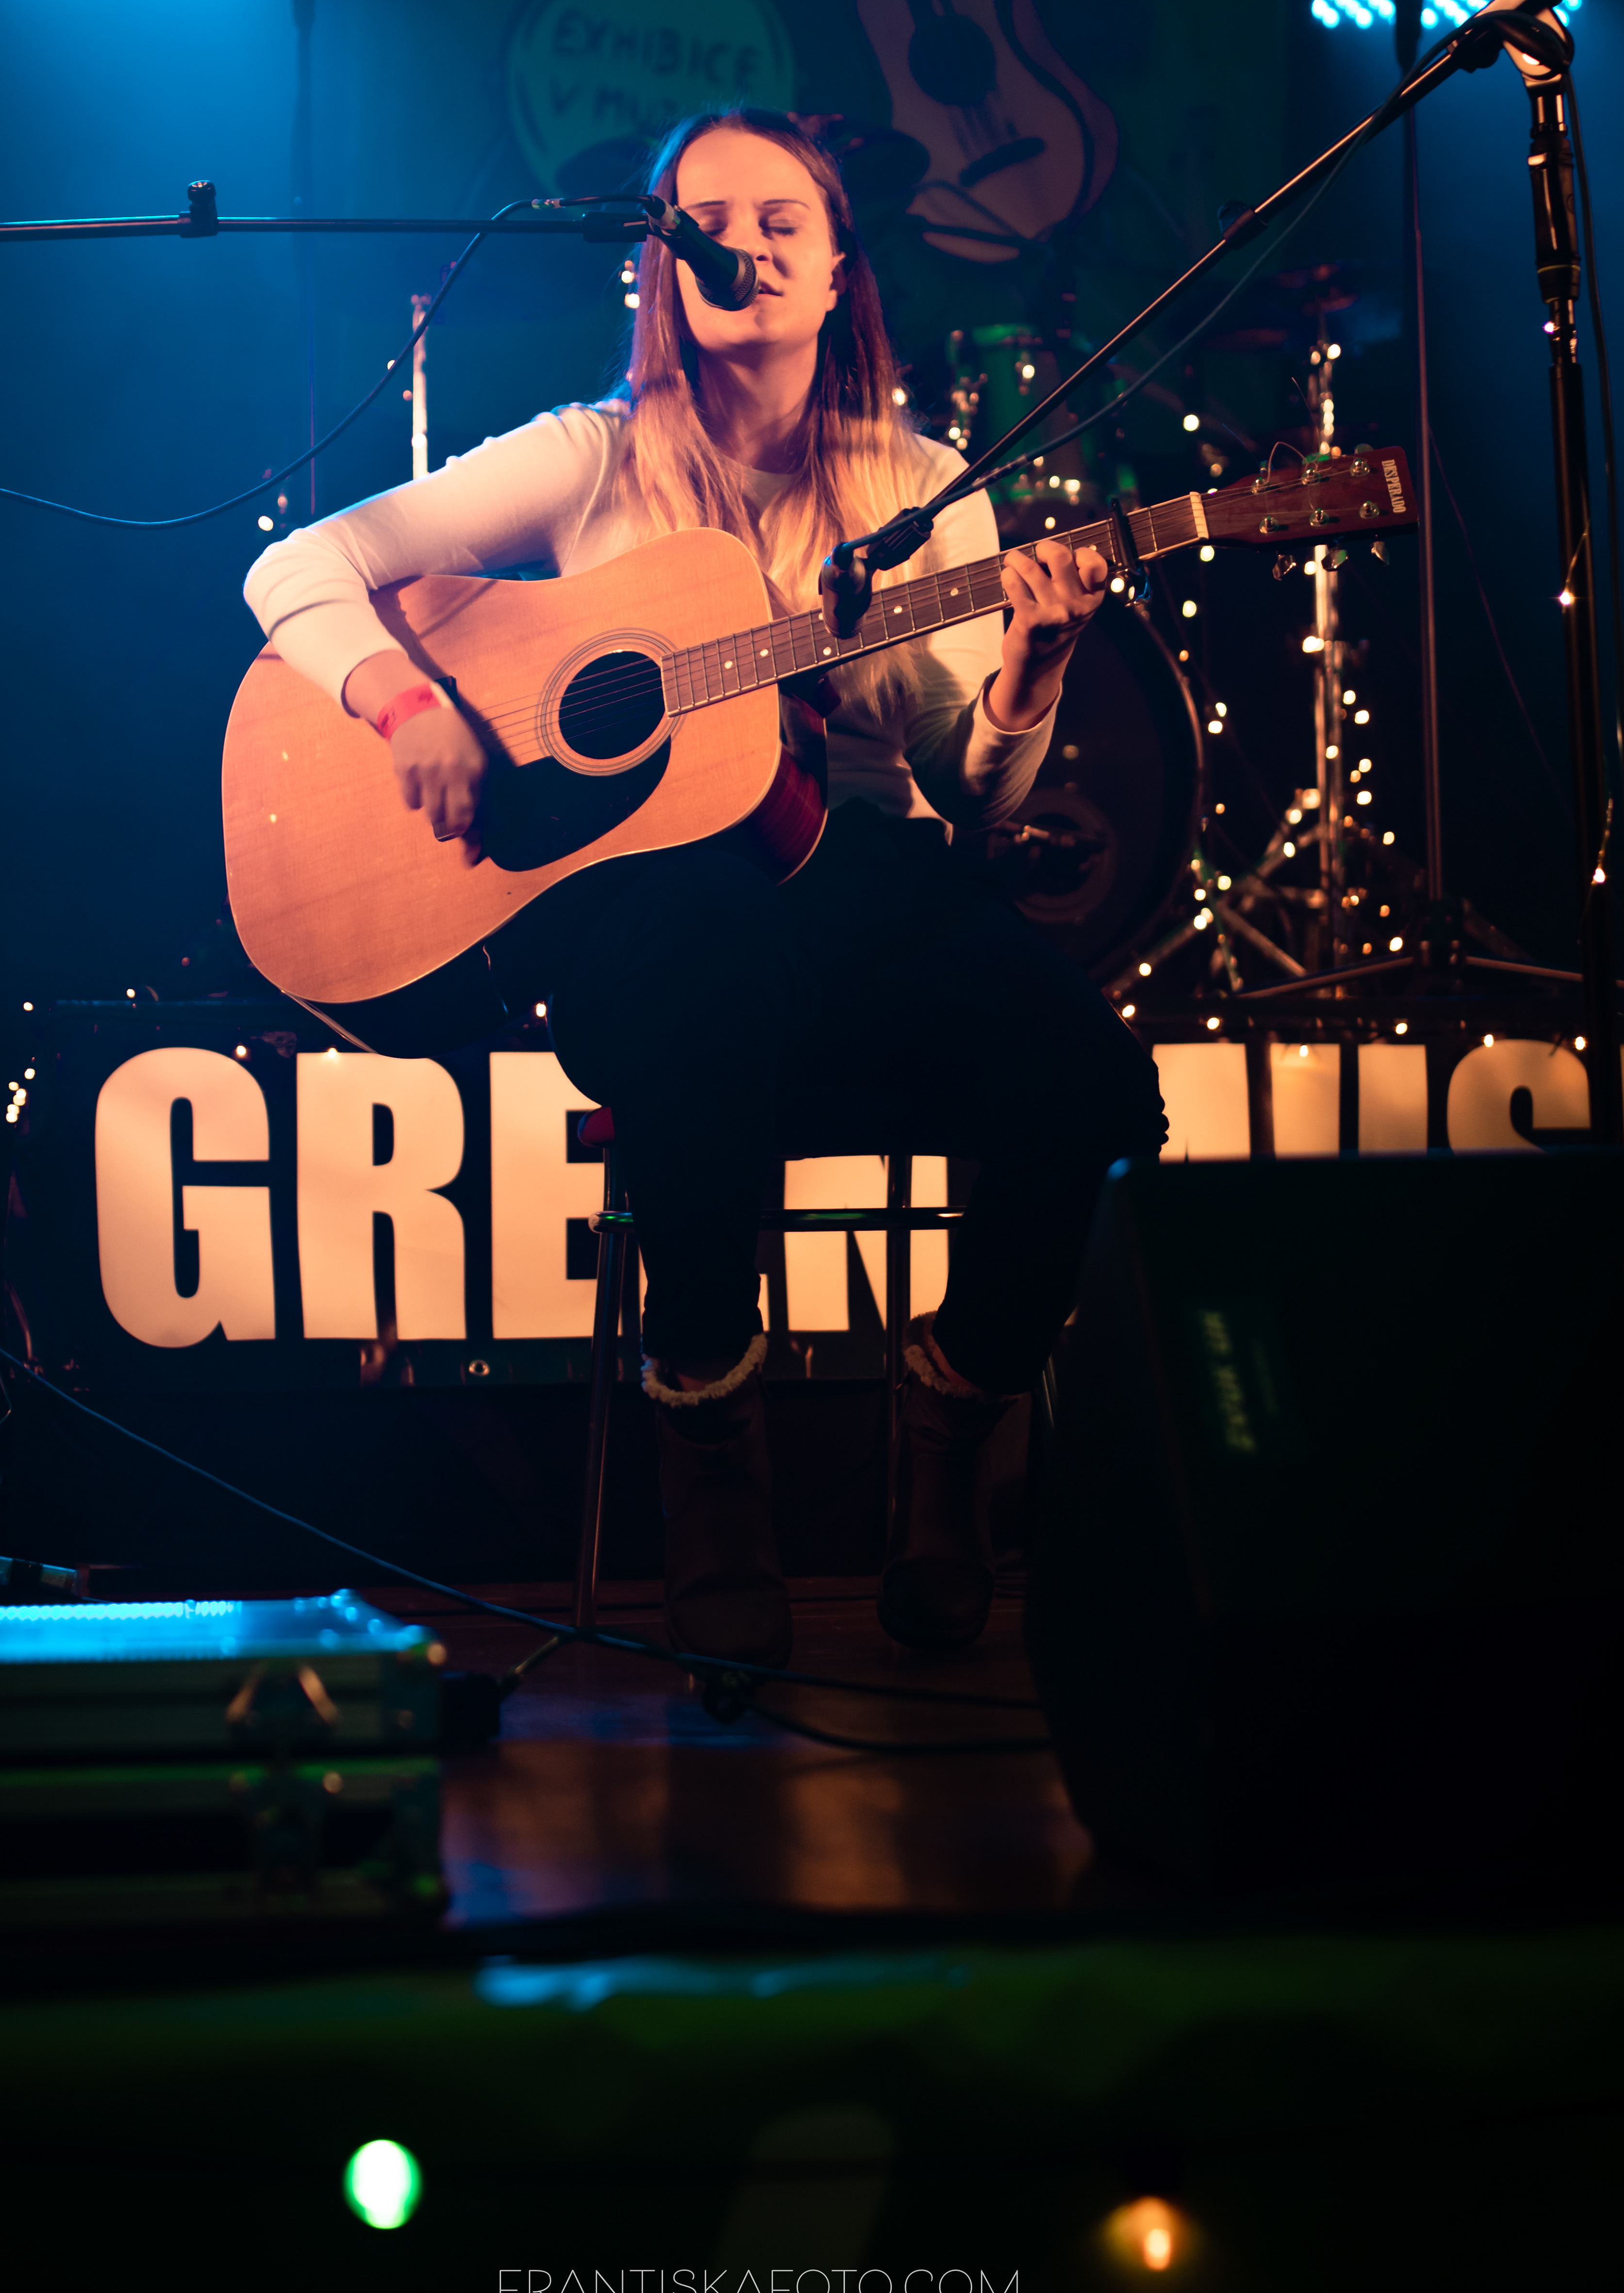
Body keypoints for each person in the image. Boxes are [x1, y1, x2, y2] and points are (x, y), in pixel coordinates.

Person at [244, 109, 1165, 1666]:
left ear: (840, 271)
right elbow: (295, 568)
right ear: (661, 269)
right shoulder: (589, 456)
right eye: (702, 222)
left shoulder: (926, 484)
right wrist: (408, 708)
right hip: (646, 923)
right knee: (706, 947)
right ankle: (710, 1442)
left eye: (780, 221)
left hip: (857, 887)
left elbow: (971, 794)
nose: (740, 245)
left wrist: (1033, 662)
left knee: (1094, 1086)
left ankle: (952, 1431)